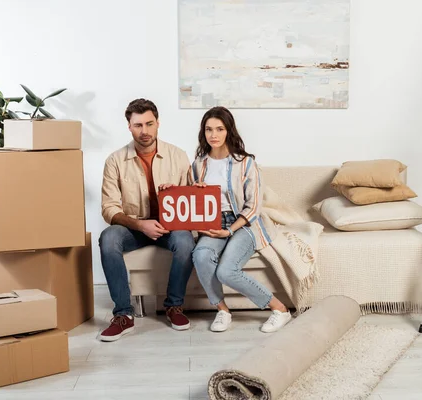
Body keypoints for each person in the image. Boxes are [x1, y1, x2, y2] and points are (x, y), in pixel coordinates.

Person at [98, 98, 195, 342]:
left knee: (185, 242)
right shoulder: (115, 161)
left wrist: (176, 194)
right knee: (108, 238)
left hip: (170, 227)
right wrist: (140, 224)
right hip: (134, 227)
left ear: (158, 123)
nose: (145, 131)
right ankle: (123, 315)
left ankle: (174, 306)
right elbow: (109, 209)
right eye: (138, 125)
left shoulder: (178, 156)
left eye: (149, 124)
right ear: (129, 127)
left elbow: (191, 199)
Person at [191, 106, 292, 333]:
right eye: (208, 129)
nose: (213, 135)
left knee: (226, 271)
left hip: (242, 224)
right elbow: (192, 202)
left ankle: (280, 309)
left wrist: (229, 231)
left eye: (219, 129)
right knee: (201, 255)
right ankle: (223, 310)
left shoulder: (246, 163)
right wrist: (196, 192)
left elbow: (253, 207)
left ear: (229, 131)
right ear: (203, 132)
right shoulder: (198, 164)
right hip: (212, 223)